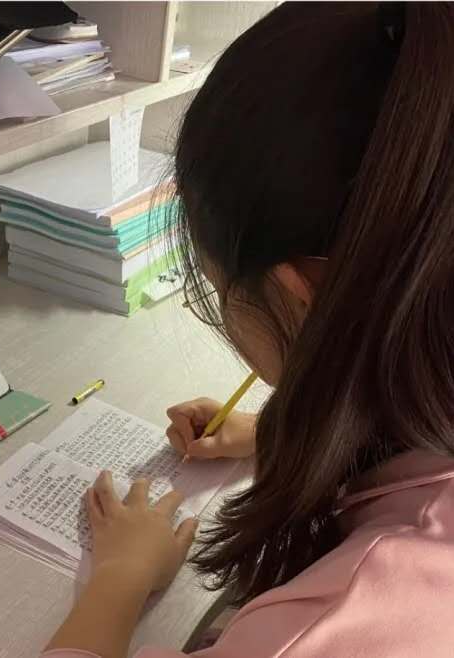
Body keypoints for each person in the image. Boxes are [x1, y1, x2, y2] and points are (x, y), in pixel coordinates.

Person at [43, 3, 454, 658]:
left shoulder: (329, 628)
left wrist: (118, 579)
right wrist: (280, 435)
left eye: (216, 286)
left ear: (299, 294)